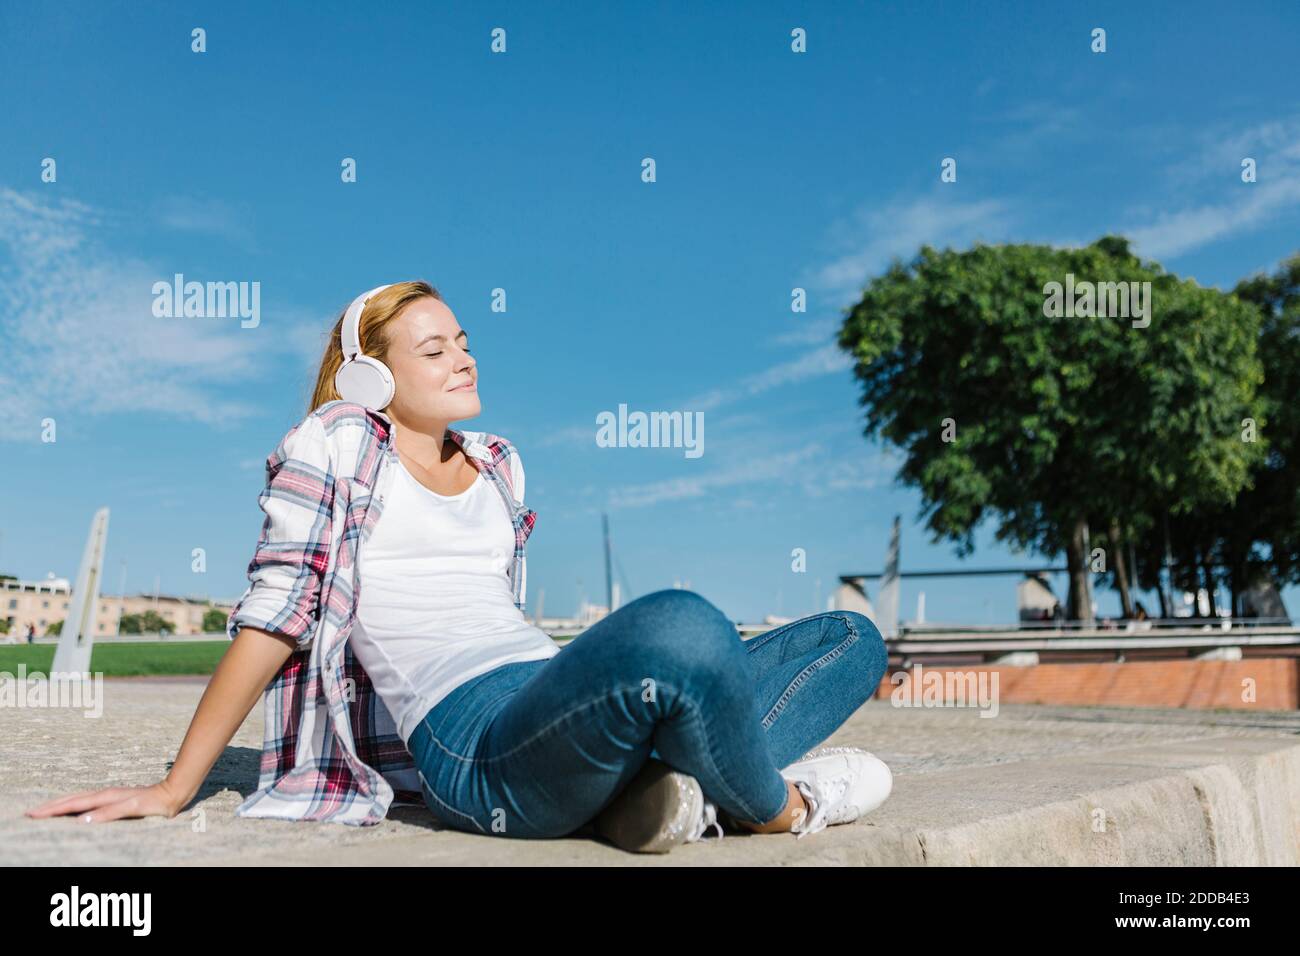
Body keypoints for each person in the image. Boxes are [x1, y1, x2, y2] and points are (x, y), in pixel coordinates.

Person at [25, 281, 893, 853]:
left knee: (848, 636)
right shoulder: (334, 444)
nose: (463, 358)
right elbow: (278, 614)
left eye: (464, 342)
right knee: (685, 629)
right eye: (432, 349)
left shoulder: (497, 461)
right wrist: (176, 789)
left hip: (554, 688)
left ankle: (661, 799)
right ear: (370, 373)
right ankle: (782, 805)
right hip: (471, 734)